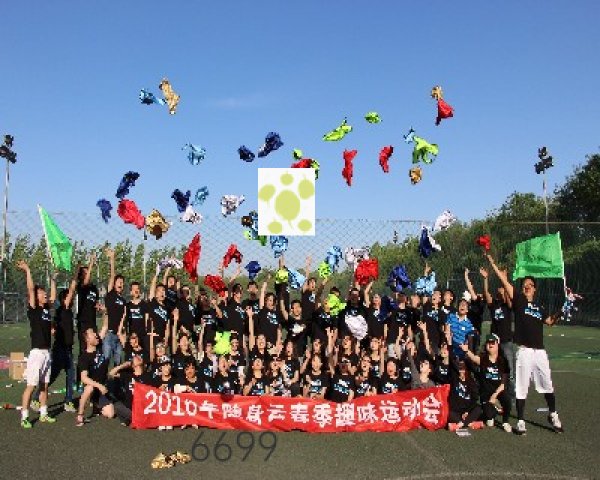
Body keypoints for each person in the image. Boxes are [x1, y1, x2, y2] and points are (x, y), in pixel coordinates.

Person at [487, 254, 563, 434]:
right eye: (524, 284)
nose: (527, 286)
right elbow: (504, 281)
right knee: (521, 386)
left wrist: (563, 309)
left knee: (547, 384)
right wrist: (492, 262)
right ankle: (521, 421)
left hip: (540, 352)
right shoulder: (519, 301)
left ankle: (553, 414)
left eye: (530, 284)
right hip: (524, 350)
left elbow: (550, 322)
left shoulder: (540, 308)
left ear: (534, 289)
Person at [17, 260, 57, 428]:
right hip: (37, 353)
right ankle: (25, 416)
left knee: (44, 386)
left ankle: (43, 413)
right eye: (41, 292)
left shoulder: (47, 309)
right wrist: (27, 270)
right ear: (36, 295)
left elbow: (53, 298)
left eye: (44, 292)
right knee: (31, 386)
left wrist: (53, 280)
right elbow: (30, 289)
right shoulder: (34, 309)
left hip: (47, 353)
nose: (45, 294)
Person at [461, 334, 512, 433]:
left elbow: (503, 383)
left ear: (497, 345)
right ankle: (494, 411)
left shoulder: (503, 361)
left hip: (498, 390)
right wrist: (467, 350)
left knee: (507, 400)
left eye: (493, 343)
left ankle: (505, 422)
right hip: (486, 392)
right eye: (488, 343)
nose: (490, 345)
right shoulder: (483, 359)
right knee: (489, 418)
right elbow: (474, 358)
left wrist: (494, 396)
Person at [480, 266, 515, 401]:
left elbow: (510, 298)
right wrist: (485, 279)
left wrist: (504, 280)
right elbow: (486, 293)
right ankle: (490, 392)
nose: (500, 290)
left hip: (506, 341)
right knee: (490, 367)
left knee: (509, 370)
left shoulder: (508, 305)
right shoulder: (494, 304)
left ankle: (511, 396)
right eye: (499, 288)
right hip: (493, 342)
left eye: (502, 288)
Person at [76, 327, 114, 427]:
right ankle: (80, 415)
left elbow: (105, 327)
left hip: (103, 387)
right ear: (87, 339)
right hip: (94, 388)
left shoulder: (99, 345)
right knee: (89, 388)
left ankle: (97, 405)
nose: (96, 335)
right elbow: (84, 378)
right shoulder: (84, 357)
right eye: (92, 334)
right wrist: (99, 386)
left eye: (95, 333)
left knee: (110, 414)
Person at [103, 248, 126, 367]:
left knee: (118, 364)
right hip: (109, 334)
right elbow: (112, 276)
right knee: (105, 361)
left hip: (119, 335)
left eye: (122, 282)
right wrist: (112, 259)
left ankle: (116, 380)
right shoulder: (111, 294)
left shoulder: (123, 300)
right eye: (119, 281)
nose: (121, 284)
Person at [448, 360, 483, 433]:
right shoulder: (454, 379)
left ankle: (459, 424)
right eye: (460, 369)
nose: (461, 371)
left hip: (467, 410)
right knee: (449, 413)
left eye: (463, 369)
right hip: (456, 410)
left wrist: (467, 411)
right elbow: (452, 364)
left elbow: (474, 399)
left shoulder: (472, 382)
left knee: (479, 409)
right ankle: (470, 423)